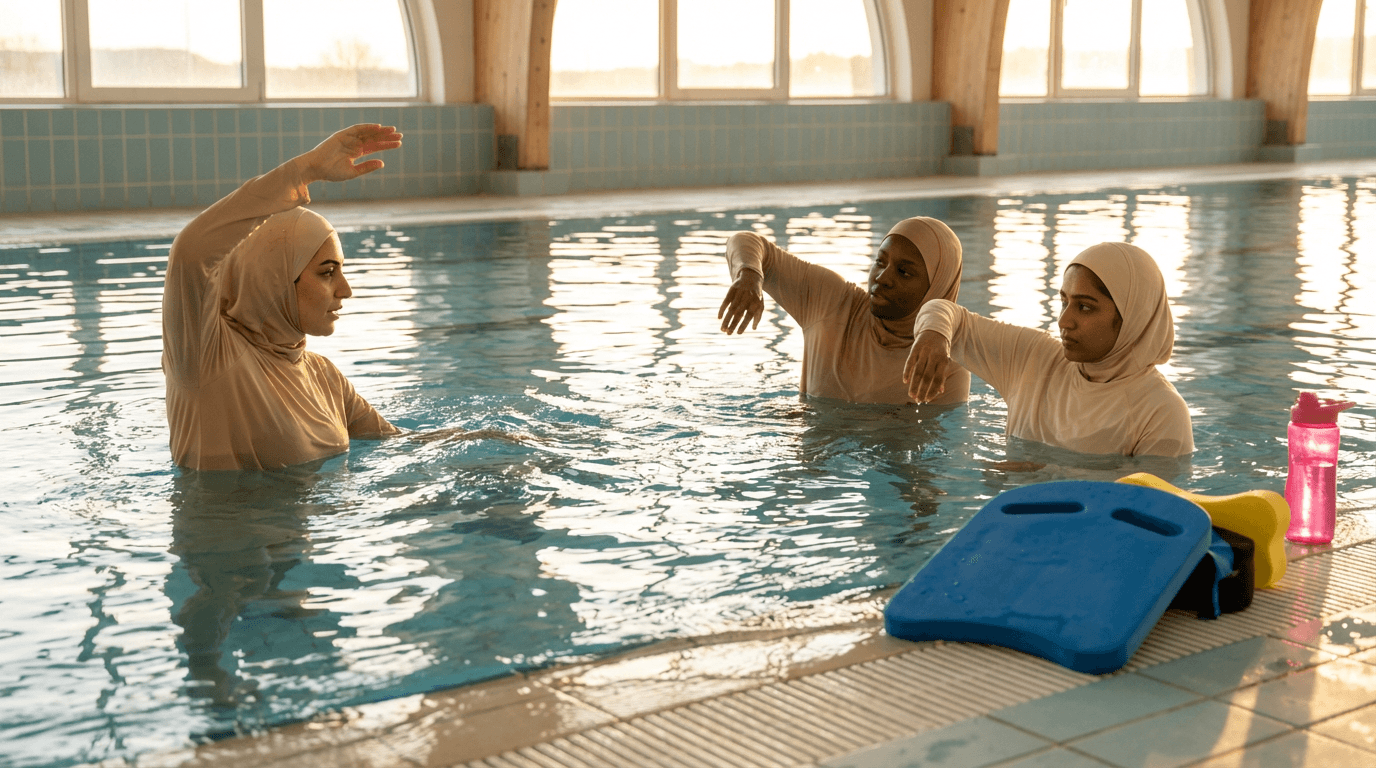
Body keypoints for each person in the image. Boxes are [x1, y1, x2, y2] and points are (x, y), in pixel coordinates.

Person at [162, 124, 404, 470]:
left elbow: (401, 444)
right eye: (326, 272)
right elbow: (190, 253)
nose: (345, 290)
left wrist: (493, 447)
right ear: (272, 278)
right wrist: (304, 170)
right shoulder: (206, 357)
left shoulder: (324, 376)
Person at [903, 241, 1194, 457]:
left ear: (1132, 319)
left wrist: (1040, 477)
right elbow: (945, 312)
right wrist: (934, 335)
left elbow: (1147, 513)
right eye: (1064, 301)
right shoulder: (1034, 358)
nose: (1064, 320)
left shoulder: (1162, 413)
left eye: (1084, 307)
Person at [716, 217, 970, 405]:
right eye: (880, 262)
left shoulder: (944, 363)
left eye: (904, 272)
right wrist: (748, 274)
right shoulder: (832, 301)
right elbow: (744, 240)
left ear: (937, 287)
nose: (882, 277)